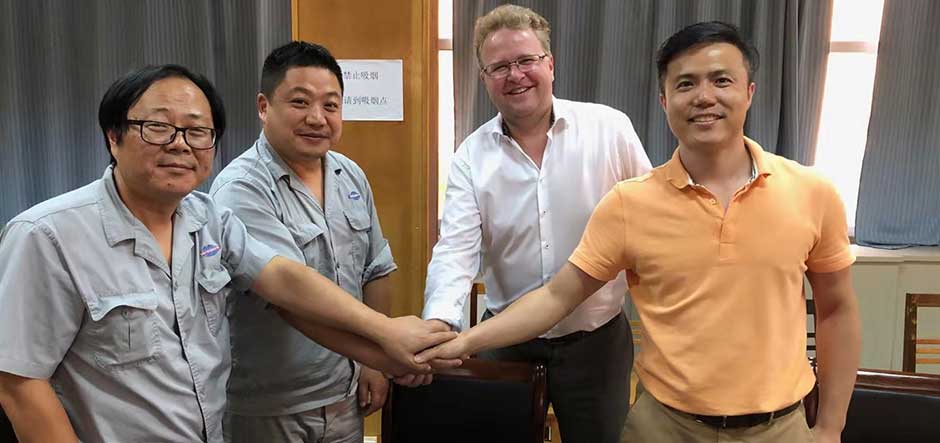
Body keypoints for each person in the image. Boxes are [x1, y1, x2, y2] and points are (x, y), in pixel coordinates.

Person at [419, 21, 861, 443]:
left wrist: (830, 426)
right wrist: (458, 338)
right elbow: (550, 293)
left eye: (721, 80)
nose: (704, 97)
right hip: (662, 425)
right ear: (665, 102)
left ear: (749, 92)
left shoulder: (812, 192)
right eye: (685, 84)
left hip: (776, 424)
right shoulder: (630, 203)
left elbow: (837, 309)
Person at [0, 64, 455, 443]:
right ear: (113, 136)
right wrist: (386, 338)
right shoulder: (47, 235)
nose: (180, 143)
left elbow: (282, 279)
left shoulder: (208, 218)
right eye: (158, 127)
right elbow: (19, 382)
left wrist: (383, 343)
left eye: (198, 131)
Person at [422, 5, 651, 443]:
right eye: (499, 67)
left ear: (550, 64)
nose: (515, 75)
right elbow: (454, 251)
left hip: (596, 341)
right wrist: (439, 324)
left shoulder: (609, 129)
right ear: (484, 78)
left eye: (526, 60)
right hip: (506, 340)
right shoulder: (471, 156)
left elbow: (650, 221)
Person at [210, 41, 398, 443]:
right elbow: (290, 292)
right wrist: (388, 341)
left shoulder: (349, 175)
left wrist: (374, 364)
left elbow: (376, 268)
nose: (317, 118)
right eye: (300, 102)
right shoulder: (241, 188)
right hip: (271, 405)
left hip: (345, 396)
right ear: (264, 107)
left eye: (331, 105)